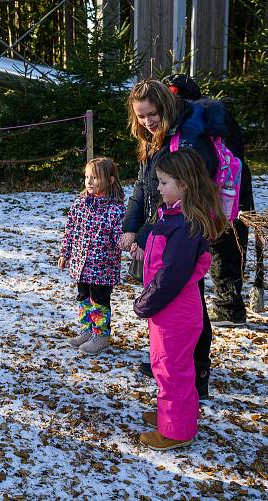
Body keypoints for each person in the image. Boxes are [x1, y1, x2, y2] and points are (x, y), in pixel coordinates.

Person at [121, 79, 218, 399]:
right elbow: (142, 190)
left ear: (165, 106)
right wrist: (130, 228)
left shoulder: (185, 142)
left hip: (185, 232)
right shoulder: (151, 142)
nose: (147, 122)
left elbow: (175, 198)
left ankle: (197, 371)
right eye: (141, 116)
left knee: (190, 301)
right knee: (167, 300)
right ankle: (168, 360)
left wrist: (145, 235)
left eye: (152, 114)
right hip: (160, 231)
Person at [134, 148, 228, 450]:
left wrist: (145, 302)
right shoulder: (173, 215)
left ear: (184, 184)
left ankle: (176, 430)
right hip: (168, 309)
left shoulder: (185, 223)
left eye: (163, 183)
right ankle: (169, 414)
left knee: (172, 368)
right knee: (167, 366)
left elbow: (172, 275)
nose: (158, 188)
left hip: (173, 309)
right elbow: (163, 258)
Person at [163, 73, 253, 327]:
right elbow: (238, 147)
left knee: (216, 244)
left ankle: (225, 309)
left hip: (211, 189)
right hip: (234, 184)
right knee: (231, 242)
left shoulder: (189, 120)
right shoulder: (217, 113)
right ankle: (230, 304)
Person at [59, 157, 126, 355]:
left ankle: (101, 335)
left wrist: (127, 242)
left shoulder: (115, 209)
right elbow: (70, 229)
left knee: (99, 300)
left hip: (102, 267)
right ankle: (87, 330)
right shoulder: (80, 204)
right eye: (87, 177)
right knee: (83, 297)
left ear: (110, 180)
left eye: (95, 177)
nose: (89, 182)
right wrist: (65, 252)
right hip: (81, 264)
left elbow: (119, 236)